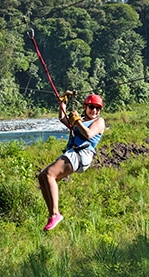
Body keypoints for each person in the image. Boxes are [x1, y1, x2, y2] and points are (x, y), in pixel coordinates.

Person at [37, 93, 105, 231]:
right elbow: (62, 118)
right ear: (85, 107)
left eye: (98, 108)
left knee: (50, 174)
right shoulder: (78, 122)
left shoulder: (99, 122)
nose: (95, 111)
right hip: (74, 154)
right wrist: (62, 103)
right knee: (43, 176)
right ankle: (52, 214)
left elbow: (88, 134)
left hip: (82, 154)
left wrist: (77, 121)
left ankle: (56, 213)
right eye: (92, 107)